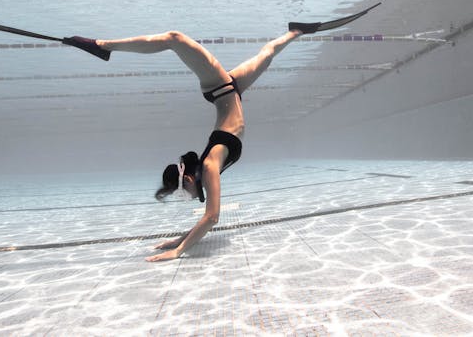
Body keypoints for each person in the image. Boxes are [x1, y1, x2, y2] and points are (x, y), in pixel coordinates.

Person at [66, 28, 304, 261]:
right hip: (233, 89)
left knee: (174, 38)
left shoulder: (210, 166)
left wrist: (179, 250)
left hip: (218, 87)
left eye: (181, 193)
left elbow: (211, 218)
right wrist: (179, 240)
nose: (186, 197)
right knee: (268, 53)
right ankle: (296, 32)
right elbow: (208, 219)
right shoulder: (208, 167)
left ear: (188, 179)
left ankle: (102, 45)